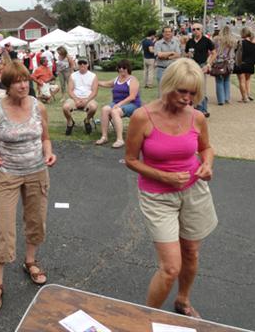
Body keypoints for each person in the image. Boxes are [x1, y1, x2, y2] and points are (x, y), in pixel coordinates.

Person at [124, 58, 217, 319]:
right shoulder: (143, 117)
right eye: (182, 91)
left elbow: (206, 148)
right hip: (157, 197)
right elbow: (130, 160)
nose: (188, 98)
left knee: (191, 252)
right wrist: (163, 176)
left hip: (194, 192)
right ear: (168, 86)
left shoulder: (197, 117)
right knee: (170, 268)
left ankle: (183, 299)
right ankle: (147, 319)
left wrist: (207, 165)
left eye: (193, 93)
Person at [0, 60, 57, 312]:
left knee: (35, 219)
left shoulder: (38, 107)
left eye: (25, 80)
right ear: (7, 85)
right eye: (17, 81)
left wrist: (49, 153)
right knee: (3, 226)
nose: (23, 85)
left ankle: (30, 261)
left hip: (37, 170)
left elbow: (46, 138)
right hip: (7, 173)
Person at [95, 59, 141, 148]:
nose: (121, 69)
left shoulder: (132, 80)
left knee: (115, 112)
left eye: (124, 67)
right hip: (117, 103)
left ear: (128, 68)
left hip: (132, 104)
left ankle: (120, 139)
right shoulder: (117, 79)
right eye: (119, 67)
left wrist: (119, 104)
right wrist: (94, 81)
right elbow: (106, 84)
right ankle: (104, 136)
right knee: (105, 109)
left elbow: (132, 96)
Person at [62, 57, 98, 136]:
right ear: (77, 65)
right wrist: (76, 99)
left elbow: (94, 91)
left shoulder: (93, 76)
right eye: (80, 63)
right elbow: (70, 90)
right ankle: (70, 122)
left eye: (84, 63)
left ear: (88, 65)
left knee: (93, 107)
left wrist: (86, 100)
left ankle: (87, 120)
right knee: (65, 107)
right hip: (75, 98)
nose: (82, 65)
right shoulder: (73, 75)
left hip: (88, 98)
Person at [185, 23, 214, 117]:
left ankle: (203, 110)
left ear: (201, 30)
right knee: (191, 87)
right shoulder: (189, 42)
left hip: (202, 66)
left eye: (198, 29)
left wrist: (208, 64)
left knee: (201, 88)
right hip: (192, 66)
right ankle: (193, 109)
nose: (196, 31)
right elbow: (185, 53)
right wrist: (188, 56)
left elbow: (214, 53)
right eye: (193, 29)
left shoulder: (206, 41)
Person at [234, 28, 255, 103]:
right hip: (250, 65)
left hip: (241, 65)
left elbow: (235, 53)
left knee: (242, 81)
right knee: (247, 80)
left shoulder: (240, 43)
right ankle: (248, 94)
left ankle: (244, 97)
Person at [209, 25, 236, 106]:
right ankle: (227, 98)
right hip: (229, 63)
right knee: (227, 80)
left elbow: (212, 51)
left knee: (219, 81)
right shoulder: (233, 40)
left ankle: (221, 100)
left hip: (218, 62)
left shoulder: (216, 39)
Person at [154, 26, 181, 96]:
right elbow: (159, 55)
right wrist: (171, 52)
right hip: (161, 69)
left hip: (173, 70)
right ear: (163, 33)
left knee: (173, 90)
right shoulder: (158, 43)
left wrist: (166, 57)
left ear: (172, 33)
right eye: (166, 32)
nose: (167, 33)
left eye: (169, 32)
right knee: (162, 90)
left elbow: (178, 54)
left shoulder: (175, 43)